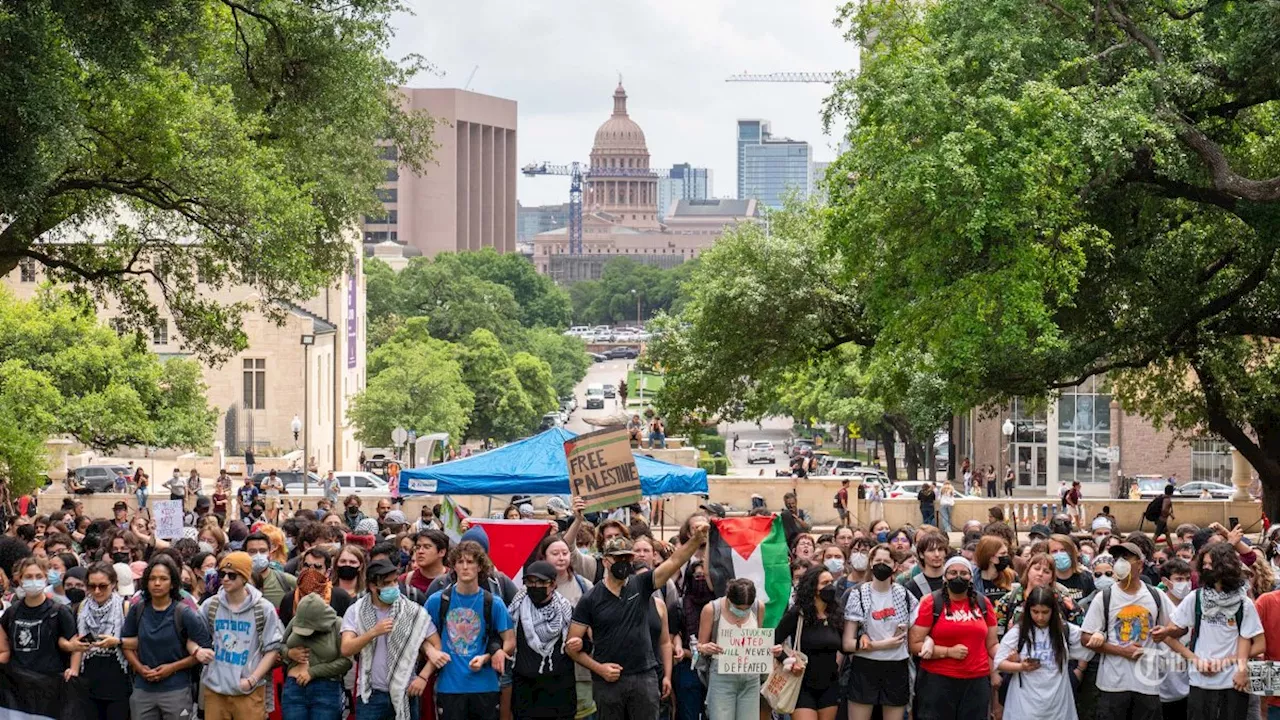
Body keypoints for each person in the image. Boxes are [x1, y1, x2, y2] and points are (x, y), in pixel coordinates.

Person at [566, 523, 708, 720]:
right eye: (618, 558)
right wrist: (600, 669)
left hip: (644, 678)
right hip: (608, 681)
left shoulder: (641, 584)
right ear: (606, 561)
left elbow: (674, 561)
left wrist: (696, 540)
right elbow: (571, 647)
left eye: (627, 558)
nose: (624, 562)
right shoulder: (590, 599)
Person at [1080, 541, 1177, 720]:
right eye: (1117, 558)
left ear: (1139, 564)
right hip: (1113, 685)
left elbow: (1178, 627)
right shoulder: (1105, 597)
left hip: (1147, 684)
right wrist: (1122, 651)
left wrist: (1164, 632)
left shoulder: (1155, 596)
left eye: (1126, 558)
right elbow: (1085, 637)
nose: (1120, 563)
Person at [1163, 542, 1259, 720]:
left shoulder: (1243, 603)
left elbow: (1259, 644)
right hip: (1200, 682)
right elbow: (1169, 636)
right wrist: (1195, 660)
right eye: (1204, 564)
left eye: (1211, 564)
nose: (1206, 568)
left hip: (1233, 682)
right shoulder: (1196, 598)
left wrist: (1228, 663)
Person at [424, 541, 516, 719]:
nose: (465, 567)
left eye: (471, 562)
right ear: (453, 566)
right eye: (460, 562)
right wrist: (430, 651)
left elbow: (510, 641)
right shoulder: (438, 600)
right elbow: (419, 634)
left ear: (480, 566)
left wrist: (491, 655)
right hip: (449, 685)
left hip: (485, 685)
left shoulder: (493, 602)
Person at [121, 555, 213, 720]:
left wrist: (172, 668)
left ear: (172, 583)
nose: (157, 583)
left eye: (163, 579)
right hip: (143, 689)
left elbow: (204, 651)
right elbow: (126, 644)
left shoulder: (184, 613)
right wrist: (139, 668)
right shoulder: (138, 610)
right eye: (152, 579)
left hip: (176, 689)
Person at [908, 556, 999, 720]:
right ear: (945, 577)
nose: (958, 577)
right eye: (953, 572)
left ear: (971, 578)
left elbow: (992, 644)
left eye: (964, 573)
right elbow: (914, 644)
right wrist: (947, 652)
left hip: (976, 681)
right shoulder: (932, 602)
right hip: (938, 682)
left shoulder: (983, 603)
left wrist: (1010, 656)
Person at [198, 551, 285, 719]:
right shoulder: (211, 605)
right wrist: (197, 650)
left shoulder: (263, 608)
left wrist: (252, 679)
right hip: (216, 689)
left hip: (249, 690)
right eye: (222, 574)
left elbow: (272, 649)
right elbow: (194, 635)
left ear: (245, 577)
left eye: (232, 575)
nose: (225, 579)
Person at [995, 586, 1094, 720]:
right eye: (1035, 612)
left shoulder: (1065, 630)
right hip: (1024, 705)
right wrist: (1020, 667)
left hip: (1058, 705)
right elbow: (999, 662)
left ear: (1053, 611)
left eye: (1045, 612)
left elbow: (1088, 645)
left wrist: (1099, 636)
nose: (1040, 617)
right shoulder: (1019, 632)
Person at [844, 544, 917, 720]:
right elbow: (847, 644)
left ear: (895, 566)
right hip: (865, 667)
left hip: (897, 666)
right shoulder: (858, 594)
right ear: (870, 563)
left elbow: (915, 633)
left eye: (886, 561)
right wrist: (883, 644)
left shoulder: (905, 596)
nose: (882, 565)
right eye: (878, 561)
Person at [773, 565, 844, 720]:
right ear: (813, 588)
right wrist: (788, 661)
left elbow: (845, 647)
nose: (830, 587)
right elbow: (773, 642)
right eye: (825, 583)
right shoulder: (797, 614)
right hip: (801, 684)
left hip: (829, 685)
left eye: (831, 582)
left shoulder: (836, 614)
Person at [509, 561, 577, 720]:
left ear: (553, 584)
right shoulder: (516, 609)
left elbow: (584, 644)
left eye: (541, 582)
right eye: (530, 582)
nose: (535, 586)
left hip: (559, 695)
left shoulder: (567, 611)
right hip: (526, 695)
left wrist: (580, 644)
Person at [0, 557, 80, 684]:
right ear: (20, 580)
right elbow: (4, 645)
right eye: (28, 577)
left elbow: (76, 644)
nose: (34, 581)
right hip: (17, 683)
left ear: (46, 578)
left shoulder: (59, 611)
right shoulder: (12, 612)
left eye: (38, 576)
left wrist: (73, 670)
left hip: (50, 683)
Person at [697, 578, 764, 720]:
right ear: (729, 599)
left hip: (750, 676)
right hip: (722, 676)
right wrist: (706, 647)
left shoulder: (758, 607)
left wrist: (768, 650)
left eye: (747, 608)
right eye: (739, 608)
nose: (743, 612)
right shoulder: (712, 609)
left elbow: (758, 640)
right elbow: (699, 646)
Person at [282, 592, 353, 720]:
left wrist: (313, 672)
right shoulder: (298, 620)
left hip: (326, 688)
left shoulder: (337, 625)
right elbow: (280, 646)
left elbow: (346, 662)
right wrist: (289, 653)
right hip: (294, 686)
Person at [76, 562, 131, 720]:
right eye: (92, 586)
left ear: (113, 584)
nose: (97, 591)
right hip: (88, 681)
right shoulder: (82, 608)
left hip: (117, 681)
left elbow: (137, 642)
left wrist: (117, 642)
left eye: (103, 586)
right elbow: (75, 643)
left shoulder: (125, 607)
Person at [902, 531, 948, 601]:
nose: (937, 554)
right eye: (931, 550)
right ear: (921, 554)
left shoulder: (953, 579)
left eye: (940, 550)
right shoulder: (912, 586)